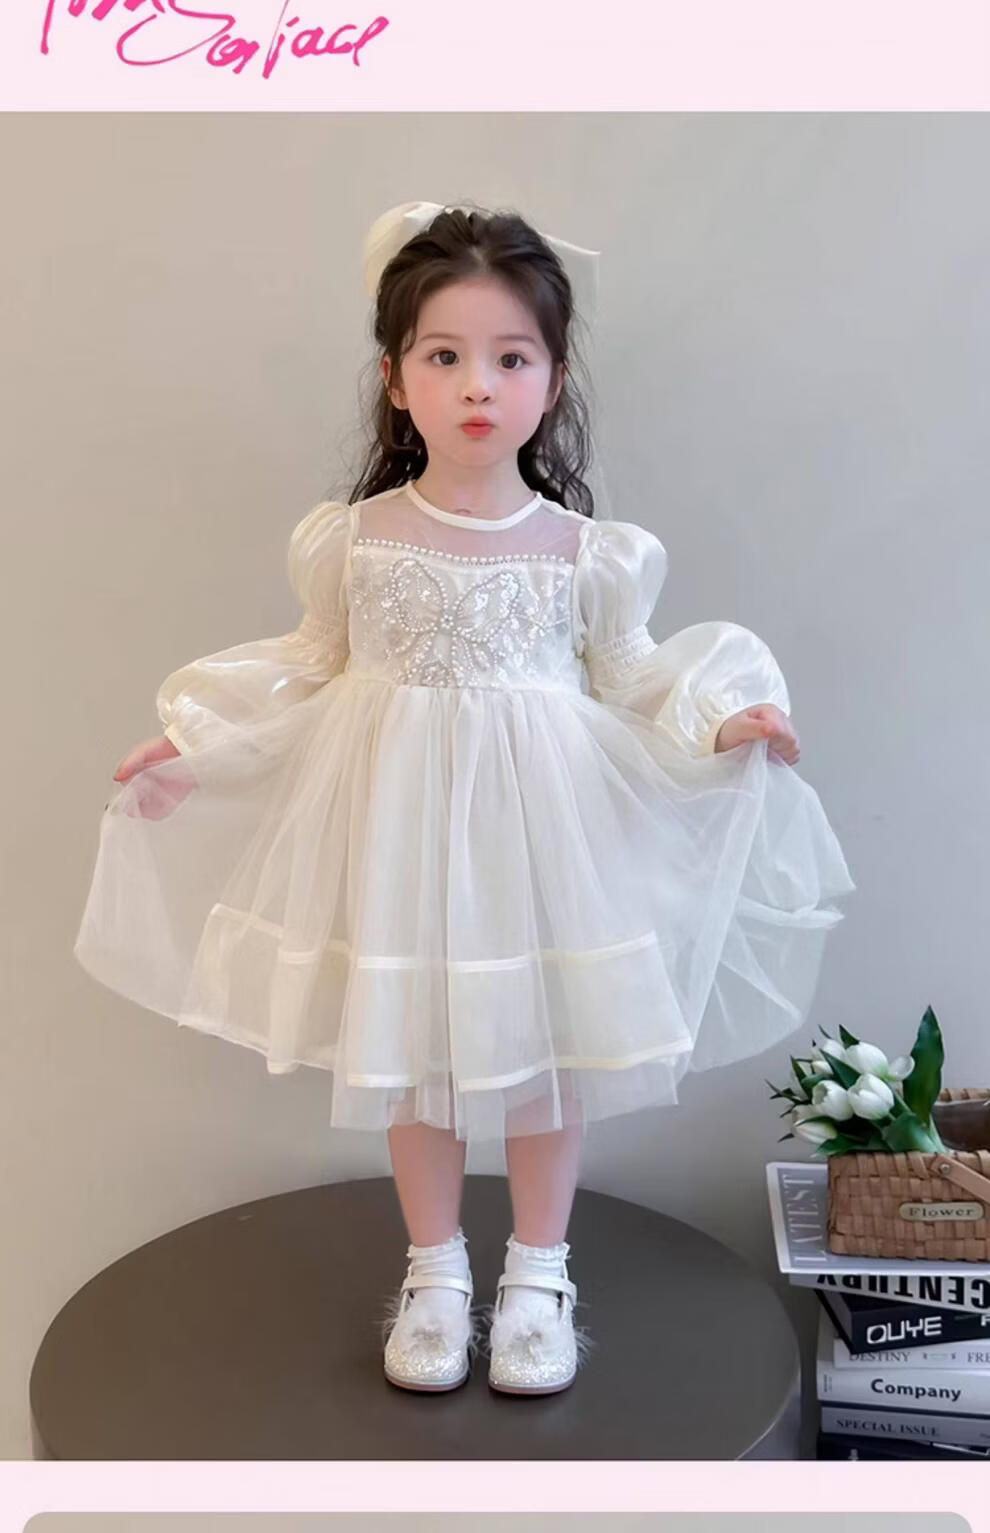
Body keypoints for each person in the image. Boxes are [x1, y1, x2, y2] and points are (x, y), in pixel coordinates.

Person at [74, 199, 855, 1398]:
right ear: (395, 381)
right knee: (414, 1049)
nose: (478, 385)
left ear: (553, 381)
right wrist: (198, 745)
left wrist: (720, 720)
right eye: (444, 356)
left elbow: (635, 675)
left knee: (545, 1056)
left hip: (545, 834)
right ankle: (435, 1271)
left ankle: (539, 1273)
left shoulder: (585, 552)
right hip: (400, 831)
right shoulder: (353, 541)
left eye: (511, 358)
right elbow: (306, 667)